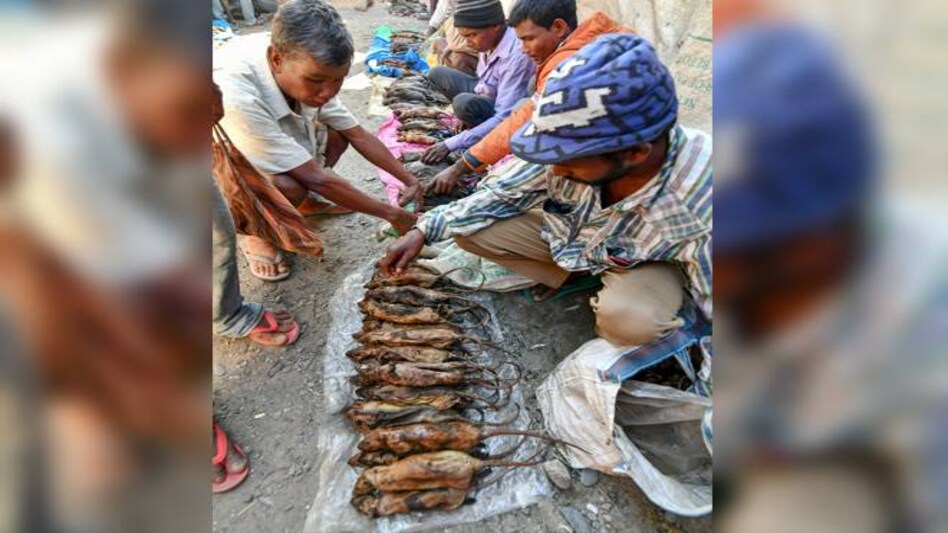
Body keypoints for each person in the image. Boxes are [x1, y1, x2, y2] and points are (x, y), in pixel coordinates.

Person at [382, 33, 712, 345]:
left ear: (636, 152)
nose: (552, 170)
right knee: (469, 230)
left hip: (646, 260)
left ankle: (618, 287)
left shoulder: (709, 199)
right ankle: (573, 277)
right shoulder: (575, 145)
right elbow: (500, 195)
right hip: (580, 239)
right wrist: (423, 231)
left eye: (567, 161)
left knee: (628, 322)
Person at [216, 0, 421, 282]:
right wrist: (392, 214)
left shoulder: (302, 64)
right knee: (287, 185)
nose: (328, 92)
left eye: (338, 81)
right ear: (276, 60)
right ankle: (251, 233)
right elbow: (316, 177)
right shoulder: (234, 92)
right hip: (210, 165)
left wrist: (409, 179)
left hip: (273, 144)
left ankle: (306, 203)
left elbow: (357, 133)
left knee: (338, 134)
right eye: (316, 80)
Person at [427, 0, 629, 194]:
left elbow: (519, 118)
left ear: (559, 27)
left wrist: (461, 166)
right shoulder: (587, 42)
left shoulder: (570, 67)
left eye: (528, 39)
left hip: (615, 165)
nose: (523, 49)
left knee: (521, 118)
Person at [421, 0, 536, 165]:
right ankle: (472, 119)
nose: (468, 43)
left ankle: (482, 134)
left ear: (495, 27)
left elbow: (505, 116)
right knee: (438, 73)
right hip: (492, 95)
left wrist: (451, 144)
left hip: (506, 110)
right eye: (465, 36)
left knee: (463, 102)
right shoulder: (488, 40)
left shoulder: (516, 56)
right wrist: (464, 114)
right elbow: (483, 83)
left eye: (471, 35)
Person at [426, 0, 479, 76]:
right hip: (459, 48)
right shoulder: (450, 11)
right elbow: (434, 24)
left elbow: (479, 46)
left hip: (477, 58)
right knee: (438, 42)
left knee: (458, 59)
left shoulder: (479, 12)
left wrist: (453, 46)